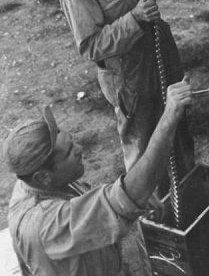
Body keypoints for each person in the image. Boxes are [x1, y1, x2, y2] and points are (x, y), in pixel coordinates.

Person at [58, 0, 197, 181]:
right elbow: (92, 47)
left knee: (179, 131)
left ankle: (190, 200)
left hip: (161, 49)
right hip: (128, 77)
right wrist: (134, 19)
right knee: (144, 146)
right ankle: (151, 217)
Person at [4, 81, 192, 276]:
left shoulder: (31, 182)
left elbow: (107, 201)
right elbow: (130, 193)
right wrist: (169, 117)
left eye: (72, 142)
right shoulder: (46, 224)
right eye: (69, 152)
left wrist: (133, 199)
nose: (79, 149)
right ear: (43, 177)